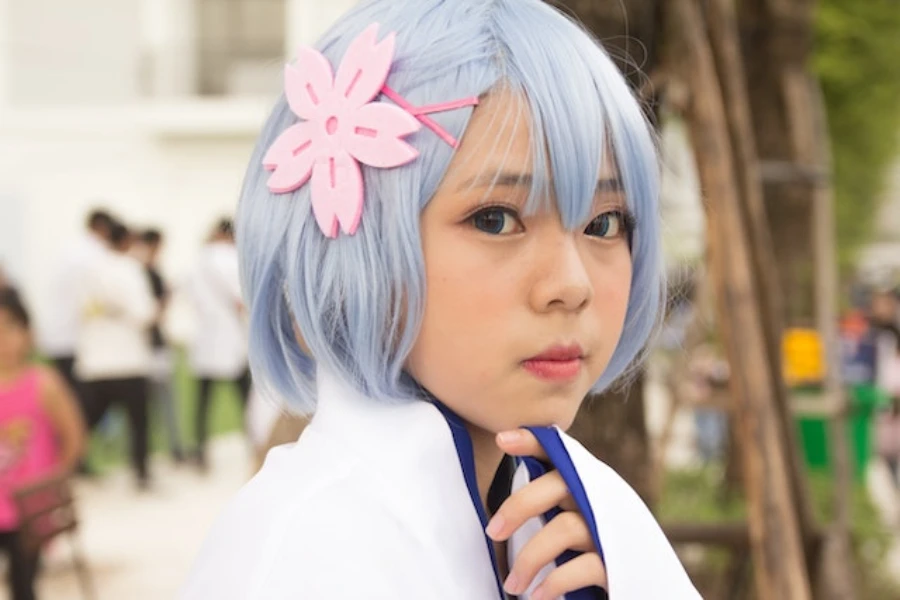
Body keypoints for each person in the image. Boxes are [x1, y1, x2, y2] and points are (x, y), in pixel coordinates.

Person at [183, 1, 700, 598]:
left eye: (605, 224)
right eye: (496, 218)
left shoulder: (589, 518)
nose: (571, 285)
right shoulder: (307, 550)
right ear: (355, 244)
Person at [0, 289, 86, 600]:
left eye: (10, 328)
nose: (3, 339)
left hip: (28, 511)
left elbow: (74, 437)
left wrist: (55, 482)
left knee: (24, 586)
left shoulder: (43, 383)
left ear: (28, 333)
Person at [75, 222, 157, 488]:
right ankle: (141, 474)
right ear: (127, 241)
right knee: (138, 424)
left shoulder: (89, 269)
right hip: (127, 360)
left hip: (94, 361)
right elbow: (144, 313)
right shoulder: (129, 269)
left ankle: (72, 465)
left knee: (88, 421)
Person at [186, 218, 249, 471]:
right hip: (232, 338)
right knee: (246, 398)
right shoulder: (229, 258)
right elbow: (241, 298)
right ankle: (257, 444)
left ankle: (200, 452)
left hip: (204, 338)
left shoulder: (197, 260)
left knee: (203, 402)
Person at [41, 209, 115, 423]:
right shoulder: (94, 254)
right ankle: (71, 445)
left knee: (72, 400)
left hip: (60, 337)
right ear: (102, 228)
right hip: (78, 340)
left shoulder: (70, 250)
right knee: (85, 402)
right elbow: (97, 299)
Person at [134, 229, 185, 463]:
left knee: (158, 402)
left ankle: (165, 450)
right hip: (150, 345)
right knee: (161, 401)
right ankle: (172, 449)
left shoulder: (142, 272)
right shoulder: (144, 273)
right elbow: (154, 312)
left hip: (151, 344)